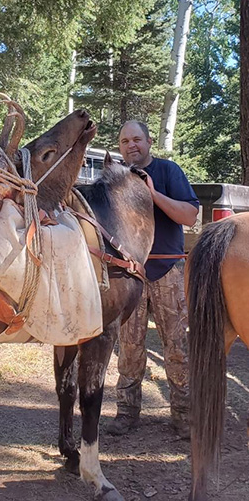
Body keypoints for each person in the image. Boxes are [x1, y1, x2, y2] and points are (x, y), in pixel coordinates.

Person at [107, 120, 199, 439]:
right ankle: (126, 414)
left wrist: (152, 193)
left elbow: (189, 216)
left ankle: (184, 416)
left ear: (148, 142)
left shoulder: (168, 171)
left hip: (168, 272)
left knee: (177, 347)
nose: (130, 145)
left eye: (136, 139)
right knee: (129, 348)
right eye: (124, 141)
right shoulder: (115, 177)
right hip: (129, 274)